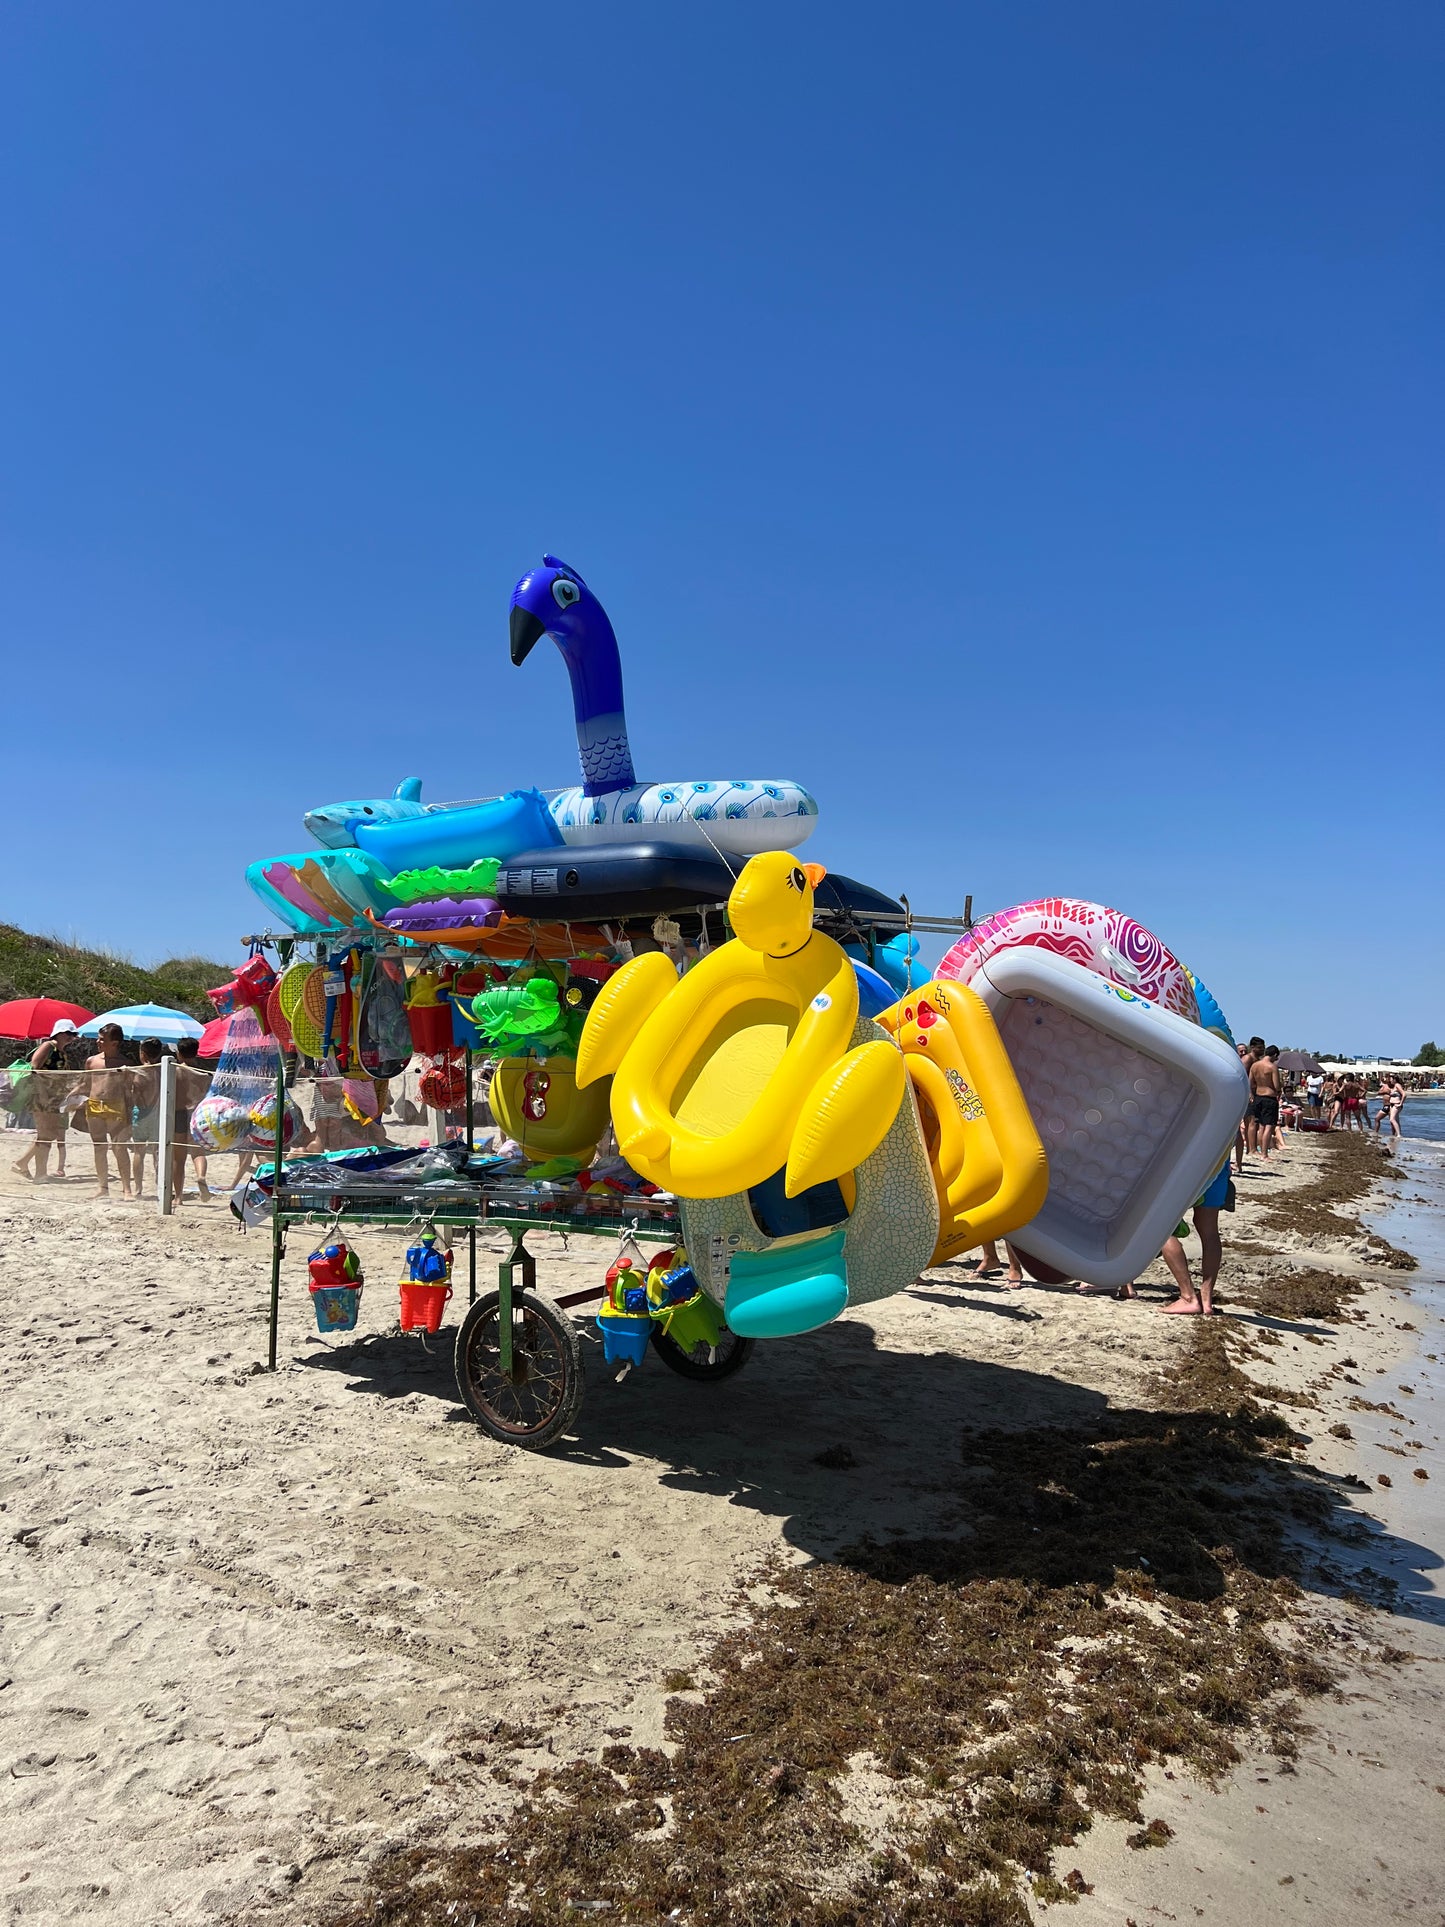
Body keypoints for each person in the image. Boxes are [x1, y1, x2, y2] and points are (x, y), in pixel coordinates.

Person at [12, 1019, 79, 1182]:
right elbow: (35, 1068)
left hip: (54, 1098)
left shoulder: (62, 1051)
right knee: (46, 1135)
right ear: (59, 1032)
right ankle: (39, 1173)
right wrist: (42, 1094)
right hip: (42, 1097)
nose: (71, 1037)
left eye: (73, 1034)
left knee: (47, 1134)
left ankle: (23, 1163)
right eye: (68, 1033)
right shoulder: (49, 1046)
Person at [84, 1022, 135, 1199]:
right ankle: (102, 1187)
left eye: (102, 1039)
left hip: (116, 1105)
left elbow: (130, 1091)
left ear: (114, 1043)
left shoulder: (125, 1064)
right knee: (99, 1147)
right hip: (94, 1105)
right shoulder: (92, 1061)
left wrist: (130, 1115)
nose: (98, 1042)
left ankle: (127, 1189)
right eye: (98, 1038)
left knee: (119, 1147)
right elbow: (86, 1084)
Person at [172, 1038, 213, 1200]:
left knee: (178, 1158)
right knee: (198, 1152)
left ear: (179, 1054)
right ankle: (201, 1176)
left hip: (179, 1113)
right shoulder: (203, 1073)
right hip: (198, 1114)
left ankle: (179, 1197)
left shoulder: (176, 1071)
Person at [128, 1039, 166, 1197]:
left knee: (139, 1151)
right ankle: (160, 1186)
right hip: (158, 1112)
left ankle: (138, 1188)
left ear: (142, 1053)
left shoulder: (139, 1072)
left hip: (142, 1112)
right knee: (158, 1152)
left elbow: (135, 1097)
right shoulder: (162, 1070)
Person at [1248, 1045, 1282, 1158]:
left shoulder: (1254, 1065)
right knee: (1269, 1126)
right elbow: (1276, 1086)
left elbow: (1250, 1083)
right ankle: (1264, 1154)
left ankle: (1255, 1149)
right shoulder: (1272, 1067)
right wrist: (1279, 1091)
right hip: (1269, 1097)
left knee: (1260, 1125)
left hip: (1258, 1096)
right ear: (1275, 1055)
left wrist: (1251, 1094)